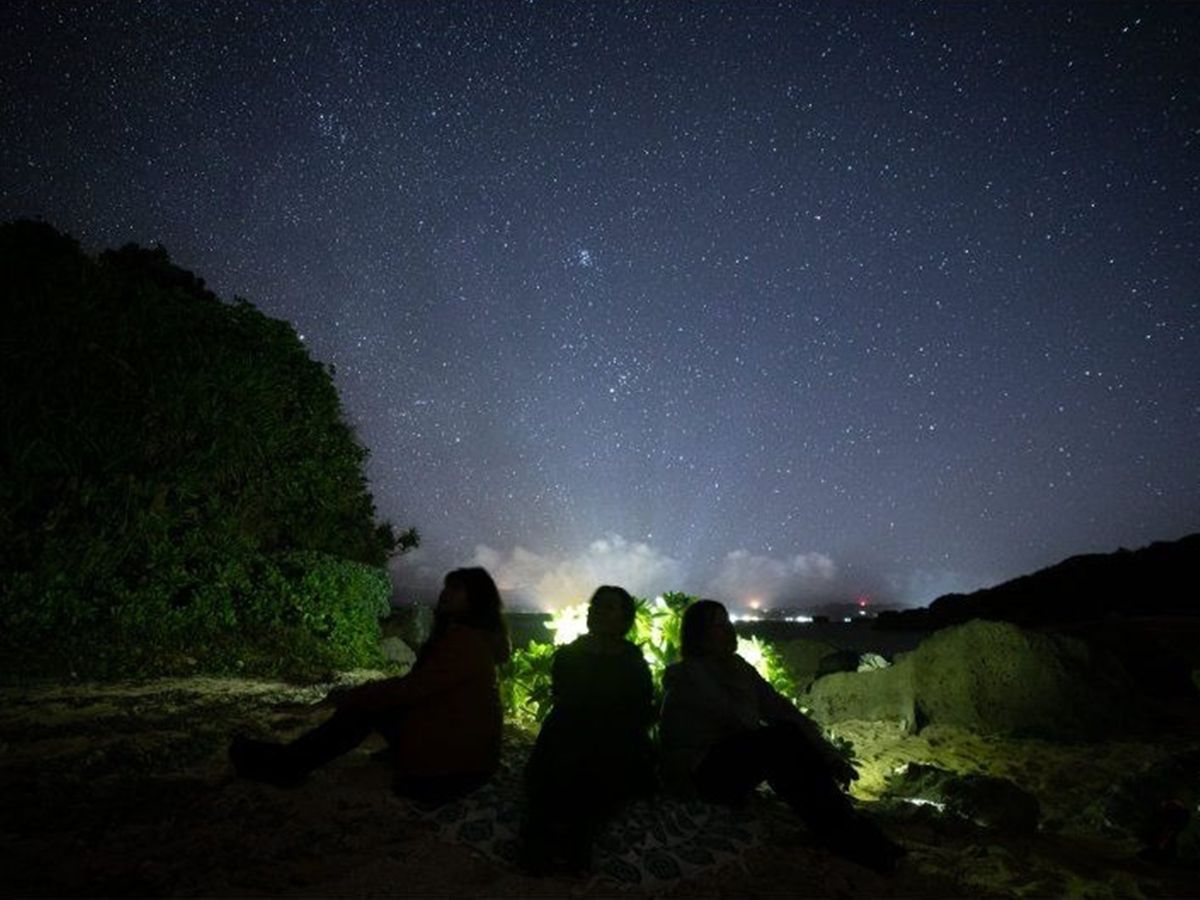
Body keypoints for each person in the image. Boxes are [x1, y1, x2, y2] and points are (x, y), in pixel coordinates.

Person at [659, 599, 904, 874]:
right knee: (780, 743)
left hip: (729, 762)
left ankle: (850, 830)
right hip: (697, 776)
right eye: (718, 625)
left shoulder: (737, 667)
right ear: (699, 636)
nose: (728, 630)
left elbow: (783, 710)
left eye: (727, 622)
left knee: (788, 739)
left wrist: (830, 756)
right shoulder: (690, 674)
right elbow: (739, 720)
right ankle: (848, 837)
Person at [229, 567, 510, 803]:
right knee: (367, 705)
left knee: (361, 709)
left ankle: (287, 764)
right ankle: (290, 762)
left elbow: (411, 689)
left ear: (476, 598)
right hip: (468, 759)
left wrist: (353, 695)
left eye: (456, 588)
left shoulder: (466, 642)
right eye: (446, 586)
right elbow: (421, 688)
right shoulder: (473, 638)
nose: (445, 592)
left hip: (453, 770)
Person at [520, 585, 656, 874]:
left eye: (609, 607)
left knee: (592, 766)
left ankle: (571, 841)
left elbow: (639, 710)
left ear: (625, 618)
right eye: (596, 605)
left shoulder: (632, 660)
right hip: (571, 734)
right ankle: (544, 842)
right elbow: (564, 698)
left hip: (613, 740)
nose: (598, 612)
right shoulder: (569, 654)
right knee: (561, 758)